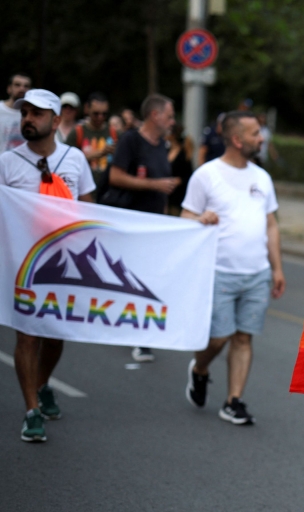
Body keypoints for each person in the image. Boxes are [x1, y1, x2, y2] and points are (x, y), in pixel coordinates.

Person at [0, 89, 96, 442]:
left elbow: (89, 207)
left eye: (37, 114)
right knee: (27, 336)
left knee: (55, 337)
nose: (28, 118)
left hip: (64, 264)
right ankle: (31, 411)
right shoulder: (7, 163)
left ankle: (42, 385)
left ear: (55, 121)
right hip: (22, 265)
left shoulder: (75, 159)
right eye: (25, 112)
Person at [181, 111, 286, 425]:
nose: (262, 138)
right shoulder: (206, 175)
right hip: (219, 271)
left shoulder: (261, 177)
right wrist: (200, 219)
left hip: (257, 273)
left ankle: (233, 401)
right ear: (238, 140)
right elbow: (186, 216)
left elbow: (271, 225)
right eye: (255, 133)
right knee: (219, 338)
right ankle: (199, 369)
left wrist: (277, 268)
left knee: (244, 338)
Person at [108, 93, 181, 363]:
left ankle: (140, 333)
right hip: (130, 226)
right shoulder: (131, 140)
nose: (173, 121)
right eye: (170, 116)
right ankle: (136, 336)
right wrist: (155, 185)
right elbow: (115, 175)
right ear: (155, 115)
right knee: (135, 280)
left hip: (153, 227)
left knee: (148, 279)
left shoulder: (161, 145)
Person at [66, 92, 118, 189]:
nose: (100, 117)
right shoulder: (77, 132)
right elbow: (67, 162)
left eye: (104, 114)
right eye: (96, 113)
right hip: (83, 190)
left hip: (108, 191)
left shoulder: (114, 133)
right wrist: (100, 153)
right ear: (87, 109)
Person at [166, 123, 194, 214]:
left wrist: (179, 180)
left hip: (177, 196)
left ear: (173, 135)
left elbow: (189, 175)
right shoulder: (165, 150)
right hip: (164, 194)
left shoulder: (184, 154)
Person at [1, 73, 32, 152]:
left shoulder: (33, 114)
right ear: (9, 89)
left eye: (26, 86)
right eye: (17, 85)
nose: (22, 89)